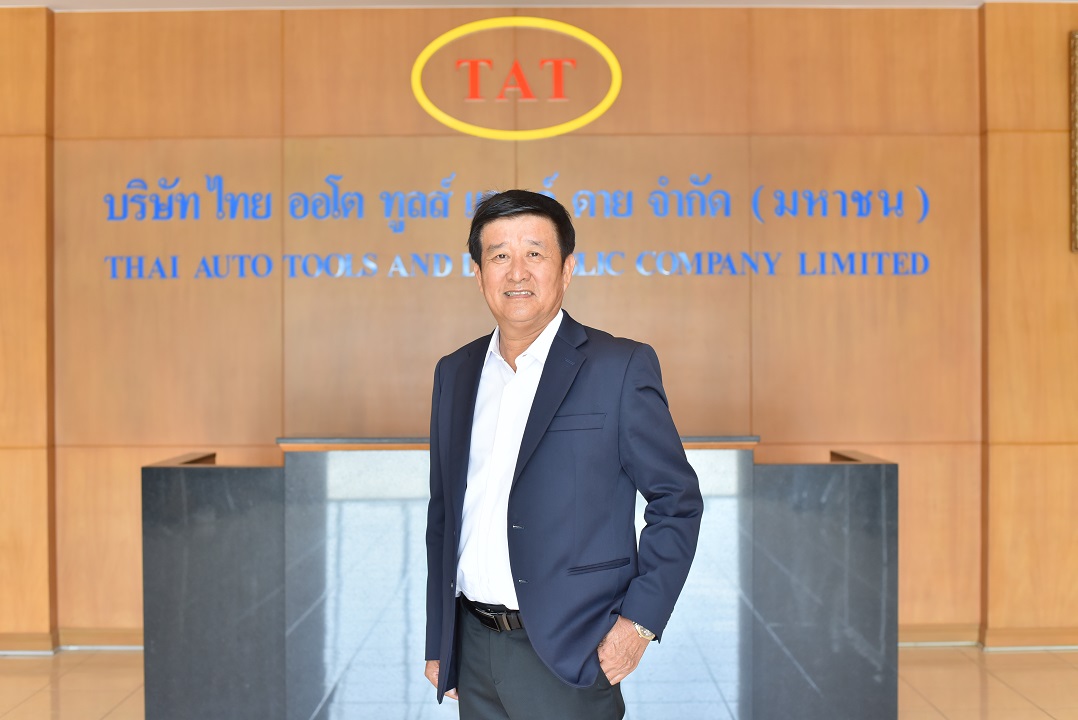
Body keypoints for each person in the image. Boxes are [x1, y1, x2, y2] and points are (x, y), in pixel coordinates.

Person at [424, 189, 703, 720]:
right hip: (474, 647)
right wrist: (440, 638)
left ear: (567, 269)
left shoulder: (618, 367)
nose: (517, 272)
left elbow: (677, 502)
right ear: (478, 273)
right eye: (499, 255)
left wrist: (639, 623)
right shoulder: (454, 373)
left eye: (535, 253)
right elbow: (445, 515)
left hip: (570, 652)